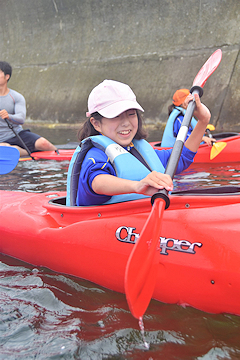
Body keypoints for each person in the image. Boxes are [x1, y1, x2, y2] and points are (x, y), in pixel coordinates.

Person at [66, 79, 211, 206]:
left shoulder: (139, 151)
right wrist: (137, 186)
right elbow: (97, 182)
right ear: (96, 123)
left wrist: (203, 121)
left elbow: (181, 158)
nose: (126, 123)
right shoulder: (95, 154)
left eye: (131, 114)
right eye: (116, 116)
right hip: (102, 226)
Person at [0, 61, 58, 156]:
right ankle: (26, 152)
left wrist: (9, 116)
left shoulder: (16, 97)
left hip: (17, 134)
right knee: (6, 148)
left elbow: (21, 118)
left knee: (44, 143)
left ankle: (65, 158)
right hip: (1, 140)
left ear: (7, 76)